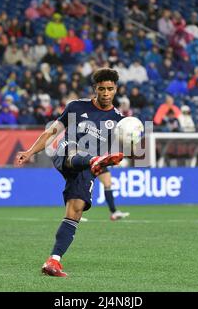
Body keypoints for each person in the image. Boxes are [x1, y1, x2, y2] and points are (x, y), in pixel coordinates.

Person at [14, 68, 128, 277]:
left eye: (110, 89)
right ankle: (94, 160)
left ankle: (53, 261)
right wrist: (30, 152)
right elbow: (52, 132)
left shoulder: (120, 120)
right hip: (67, 153)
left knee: (76, 209)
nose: (105, 93)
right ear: (95, 88)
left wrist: (125, 150)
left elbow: (127, 147)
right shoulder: (76, 107)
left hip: (88, 168)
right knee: (75, 149)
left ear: (115, 89)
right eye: (101, 89)